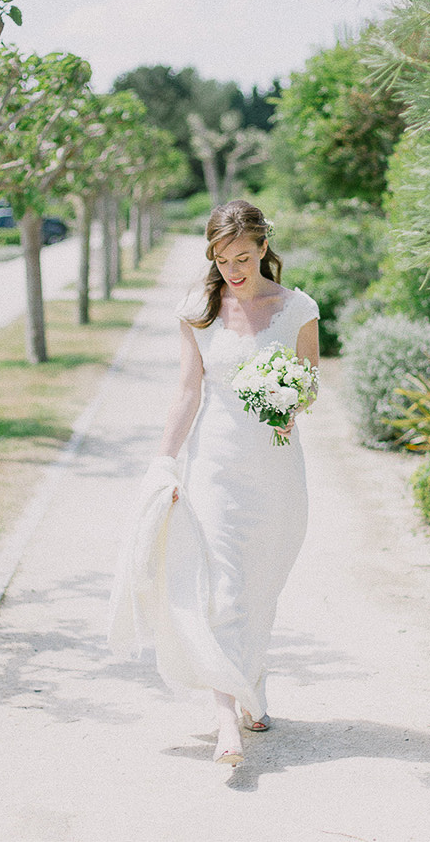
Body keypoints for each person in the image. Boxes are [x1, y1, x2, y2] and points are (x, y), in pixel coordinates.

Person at [108, 199, 320, 768]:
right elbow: (187, 393)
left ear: (263, 250)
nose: (233, 269)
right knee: (223, 586)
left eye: (244, 257)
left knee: (260, 583)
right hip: (216, 468)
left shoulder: (296, 307)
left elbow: (309, 384)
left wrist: (289, 401)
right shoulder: (198, 309)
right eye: (223, 258)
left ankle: (254, 680)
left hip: (276, 468)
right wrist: (163, 463)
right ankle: (226, 716)